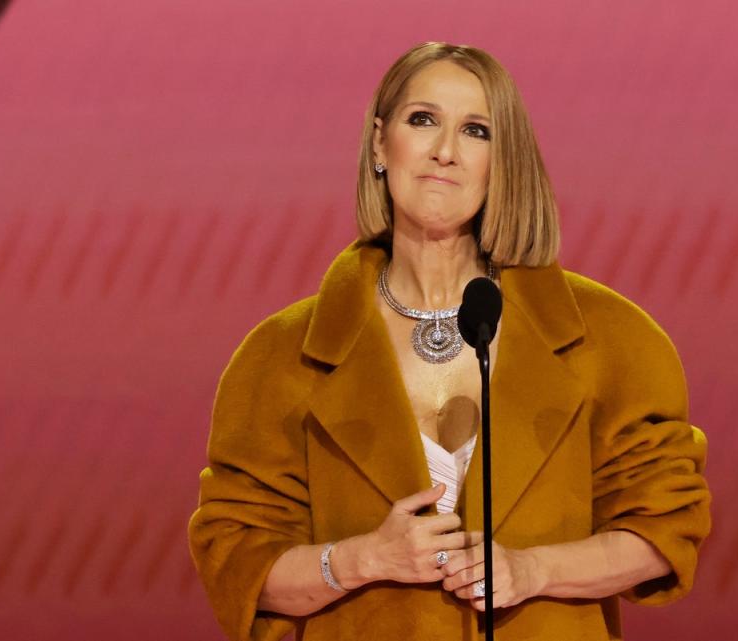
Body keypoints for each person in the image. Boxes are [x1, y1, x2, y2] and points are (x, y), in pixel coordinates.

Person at [188, 41, 711, 641]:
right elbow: (238, 559)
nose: (445, 151)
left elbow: (665, 528)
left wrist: (530, 569)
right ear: (382, 143)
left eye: (477, 131)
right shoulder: (278, 356)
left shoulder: (612, 340)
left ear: (503, 160)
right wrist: (362, 560)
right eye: (423, 120)